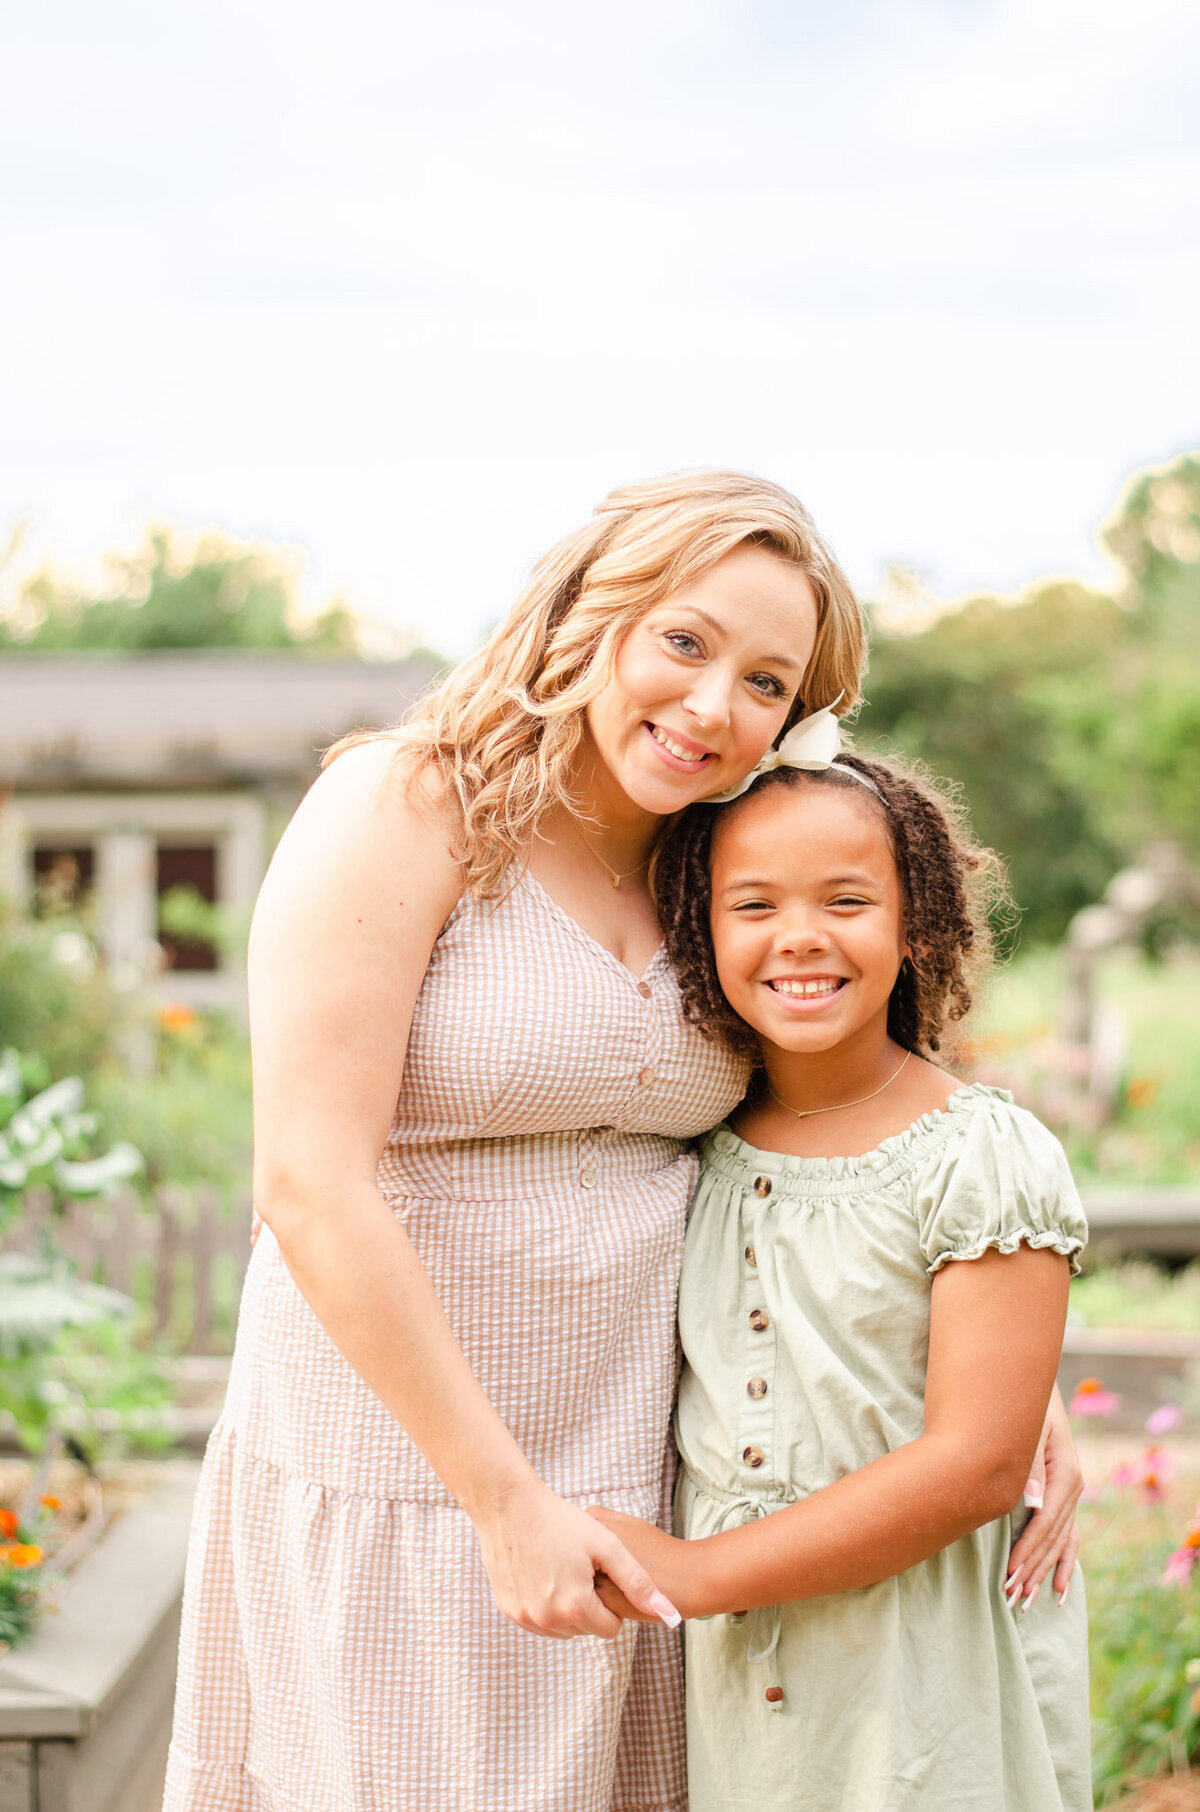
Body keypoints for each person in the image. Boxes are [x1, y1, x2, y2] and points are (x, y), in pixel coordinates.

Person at [164, 474, 1081, 1812]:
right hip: (411, 1465)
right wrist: (501, 1501)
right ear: (591, 618)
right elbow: (309, 1186)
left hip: (641, 1459)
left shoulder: (709, 856)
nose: (716, 705)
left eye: (768, 682)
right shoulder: (407, 808)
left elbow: (833, 1113)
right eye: (686, 641)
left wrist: (994, 1350)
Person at [593, 731, 1091, 1810]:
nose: (801, 938)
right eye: (755, 905)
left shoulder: (976, 1155)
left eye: (848, 901)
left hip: (923, 1670)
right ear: (699, 926)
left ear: (917, 924)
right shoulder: (694, 1144)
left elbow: (976, 1465)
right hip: (745, 1682)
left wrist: (691, 1576)